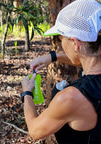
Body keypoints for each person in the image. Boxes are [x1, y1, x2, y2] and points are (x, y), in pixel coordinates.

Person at [21, 0, 101, 143]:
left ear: (75, 43)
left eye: (61, 38)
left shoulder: (70, 98)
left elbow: (34, 131)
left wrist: (26, 93)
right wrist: (53, 56)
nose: (61, 45)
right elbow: (88, 58)